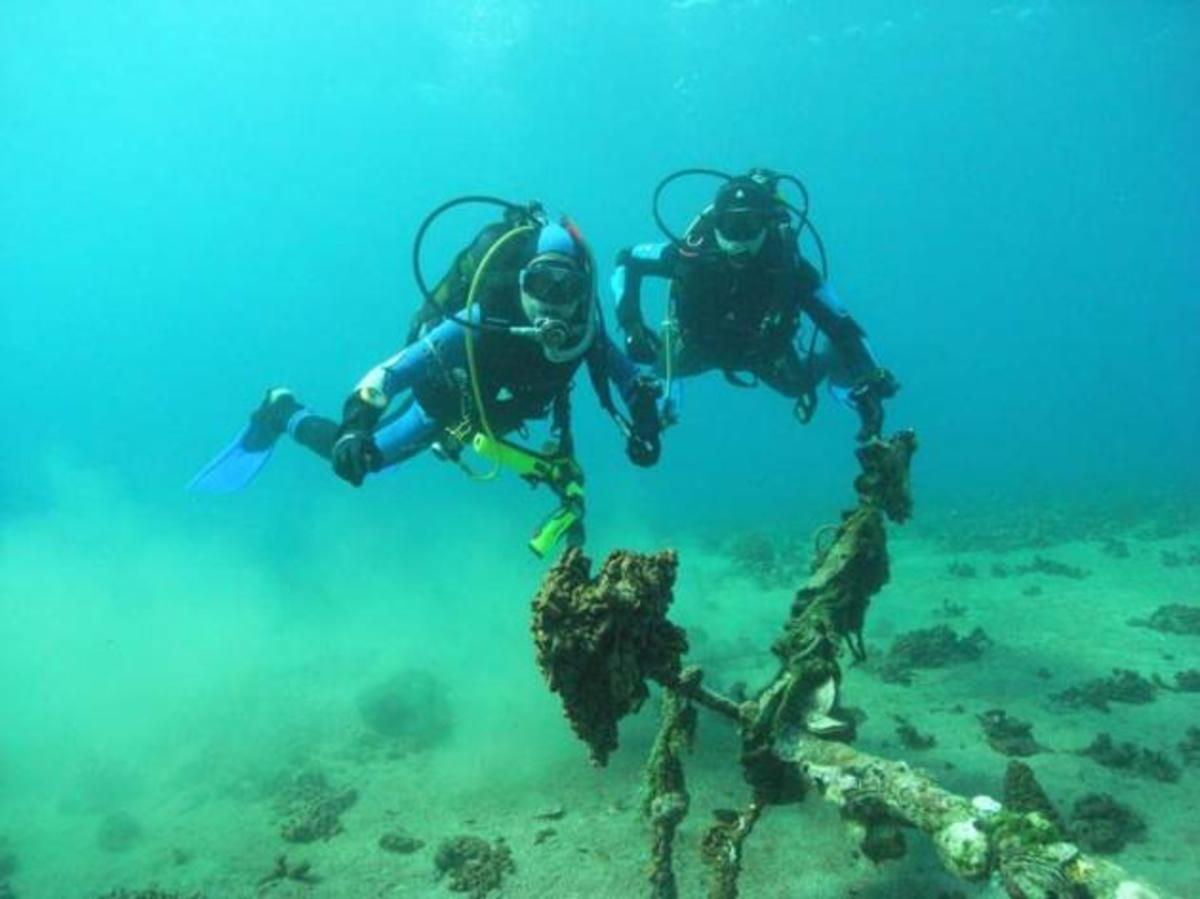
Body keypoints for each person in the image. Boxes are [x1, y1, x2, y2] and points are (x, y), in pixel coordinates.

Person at [190, 200, 662, 556]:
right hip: (447, 406)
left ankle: (440, 441)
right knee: (364, 460)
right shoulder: (482, 317)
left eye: (567, 288)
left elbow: (631, 382)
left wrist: (645, 423)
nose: (552, 302)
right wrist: (355, 426)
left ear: (582, 294)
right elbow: (391, 372)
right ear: (520, 282)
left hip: (493, 418)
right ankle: (281, 410)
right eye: (541, 284)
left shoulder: (585, 336)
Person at [613, 167, 897, 442]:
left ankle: (830, 361)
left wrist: (867, 376)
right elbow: (628, 260)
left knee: (796, 386)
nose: (739, 239)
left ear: (766, 223)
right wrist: (631, 325)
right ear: (716, 223)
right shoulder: (691, 253)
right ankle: (659, 414)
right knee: (658, 369)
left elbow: (841, 324)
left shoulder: (790, 268)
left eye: (749, 225)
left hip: (762, 352)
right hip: (696, 345)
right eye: (730, 226)